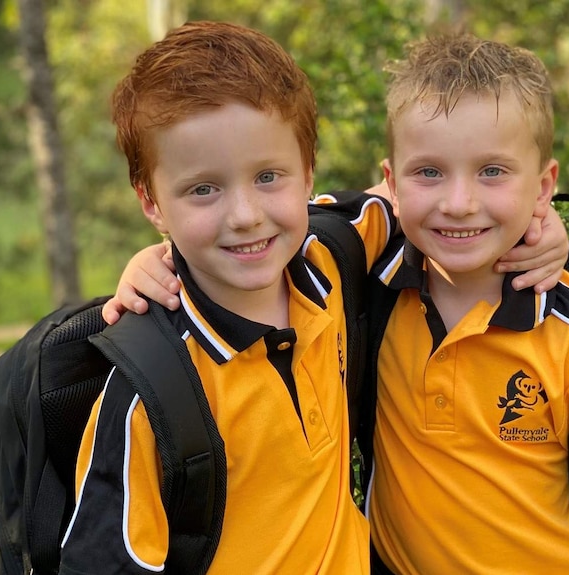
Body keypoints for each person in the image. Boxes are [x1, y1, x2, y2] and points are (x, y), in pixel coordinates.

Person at [107, 33, 569, 575]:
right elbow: (261, 227)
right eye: (430, 173)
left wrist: (545, 229)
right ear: (394, 181)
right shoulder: (374, 284)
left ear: (543, 187)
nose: (459, 203)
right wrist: (159, 257)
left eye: (492, 172)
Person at [58, 21, 398, 574]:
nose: (245, 216)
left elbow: (423, 200)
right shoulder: (151, 393)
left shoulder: (331, 255)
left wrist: (537, 224)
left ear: (307, 172)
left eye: (268, 177)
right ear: (151, 202)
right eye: (203, 189)